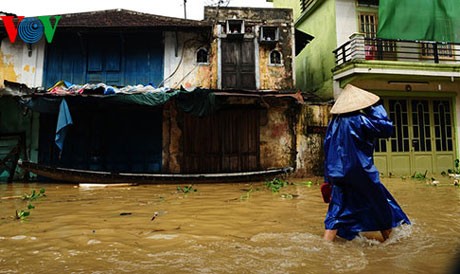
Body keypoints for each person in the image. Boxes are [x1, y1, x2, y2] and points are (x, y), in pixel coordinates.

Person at [322, 84, 410, 242]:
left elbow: (327, 149)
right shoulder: (361, 120)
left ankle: (326, 245)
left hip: (338, 174)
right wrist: (374, 108)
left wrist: (327, 178)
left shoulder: (333, 124)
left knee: (336, 211)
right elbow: (385, 128)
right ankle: (391, 244)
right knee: (379, 205)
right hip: (362, 172)